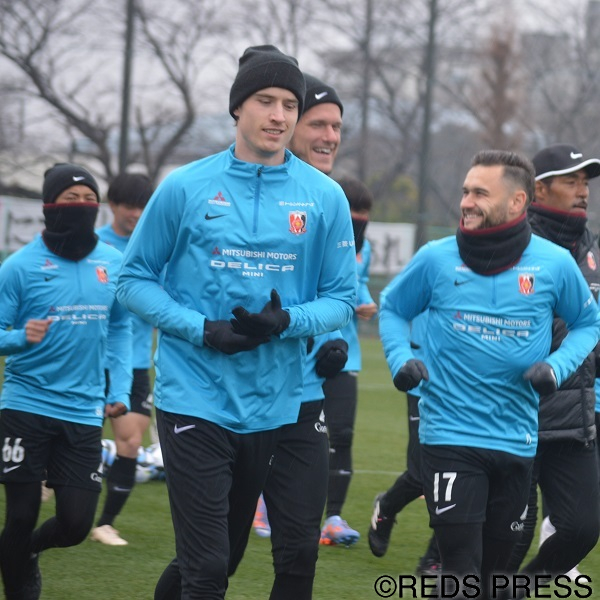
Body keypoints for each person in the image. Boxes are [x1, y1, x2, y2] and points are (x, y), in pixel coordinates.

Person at [116, 46, 357, 600]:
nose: (278, 116)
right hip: (193, 396)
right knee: (206, 568)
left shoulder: (325, 197)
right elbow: (133, 280)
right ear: (237, 107)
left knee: (243, 557)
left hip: (276, 403)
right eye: (265, 101)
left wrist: (286, 321)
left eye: (289, 105)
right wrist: (204, 330)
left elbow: (343, 298)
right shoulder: (185, 186)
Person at [378, 149, 600, 599]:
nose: (466, 201)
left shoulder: (554, 263)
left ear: (517, 201)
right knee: (461, 566)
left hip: (517, 438)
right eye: (465, 191)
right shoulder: (436, 258)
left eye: (480, 193)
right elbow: (393, 307)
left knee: (494, 574)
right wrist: (400, 359)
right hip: (450, 434)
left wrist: (556, 367)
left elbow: (587, 323)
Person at [0, 163, 132, 599]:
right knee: (20, 516)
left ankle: (26, 552)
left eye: (89, 199)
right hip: (26, 405)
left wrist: (119, 390)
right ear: (49, 206)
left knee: (75, 524)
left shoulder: (113, 263)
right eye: (70, 199)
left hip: (84, 409)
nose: (81, 206)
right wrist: (20, 337)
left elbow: (120, 328)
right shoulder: (19, 267)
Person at [505, 144, 600, 581]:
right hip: (515, 414)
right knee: (508, 537)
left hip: (572, 418)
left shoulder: (590, 247)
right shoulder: (511, 243)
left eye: (585, 182)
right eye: (571, 181)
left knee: (582, 528)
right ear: (538, 190)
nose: (583, 191)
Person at [90, 172, 155, 546]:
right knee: (77, 439)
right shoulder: (93, 244)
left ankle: (105, 524)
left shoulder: (156, 248)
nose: (136, 214)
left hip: (135, 362)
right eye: (129, 206)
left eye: (143, 206)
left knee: (129, 442)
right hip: (92, 361)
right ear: (112, 205)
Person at [319, 175, 377, 546]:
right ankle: (265, 503)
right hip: (305, 352)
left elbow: (361, 281)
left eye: (364, 215)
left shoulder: (364, 248)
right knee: (287, 434)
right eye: (353, 213)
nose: (359, 221)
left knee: (342, 435)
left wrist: (364, 300)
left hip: (346, 354)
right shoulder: (313, 236)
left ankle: (333, 518)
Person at [368, 312, 441, 574]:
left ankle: (434, 558)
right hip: (423, 380)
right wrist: (402, 358)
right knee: (422, 474)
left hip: (468, 385)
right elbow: (393, 308)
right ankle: (386, 508)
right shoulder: (425, 280)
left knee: (466, 472)